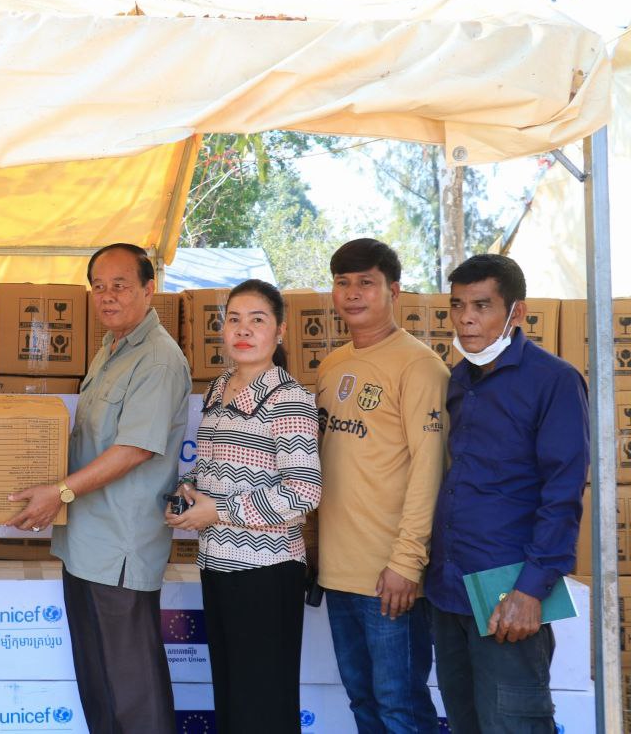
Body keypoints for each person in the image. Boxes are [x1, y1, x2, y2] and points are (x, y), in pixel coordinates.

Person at [7, 242, 190, 734]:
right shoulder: (111, 348)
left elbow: (134, 450)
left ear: (149, 289)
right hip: (86, 542)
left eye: (120, 286)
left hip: (120, 548)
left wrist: (59, 492)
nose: (107, 296)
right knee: (99, 685)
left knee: (133, 692)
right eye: (99, 287)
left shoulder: (157, 359)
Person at [427, 255, 588, 733]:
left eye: (482, 306)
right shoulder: (460, 379)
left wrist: (530, 590)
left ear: (517, 312)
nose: (466, 319)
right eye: (457, 305)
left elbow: (562, 493)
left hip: (508, 593)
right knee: (464, 723)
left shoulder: (554, 380)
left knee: (513, 725)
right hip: (450, 589)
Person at [167, 279, 320, 733]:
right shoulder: (219, 388)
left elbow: (303, 492)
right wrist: (189, 492)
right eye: (234, 319)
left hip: (266, 572)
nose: (244, 330)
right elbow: (211, 467)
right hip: (217, 563)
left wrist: (218, 510)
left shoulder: (289, 399)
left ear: (280, 330)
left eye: (257, 320)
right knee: (232, 697)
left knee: (262, 705)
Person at [316, 238, 447, 733]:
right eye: (343, 282)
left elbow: (429, 471)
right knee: (364, 704)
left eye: (366, 283)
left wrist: (407, 562)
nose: (353, 293)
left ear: (394, 291)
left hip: (389, 577)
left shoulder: (420, 366)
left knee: (401, 709)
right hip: (337, 572)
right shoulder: (332, 365)